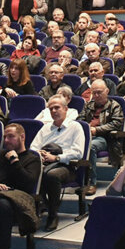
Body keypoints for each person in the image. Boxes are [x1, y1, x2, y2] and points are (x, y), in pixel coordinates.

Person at [32, 94, 86, 231]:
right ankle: (42, 205)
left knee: (52, 175)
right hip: (45, 163)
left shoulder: (75, 127)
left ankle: (52, 214)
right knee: (29, 172)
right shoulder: (45, 128)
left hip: (67, 166)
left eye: (57, 108)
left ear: (66, 109)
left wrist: (56, 158)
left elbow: (78, 152)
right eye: (51, 109)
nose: (54, 111)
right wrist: (39, 153)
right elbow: (33, 147)